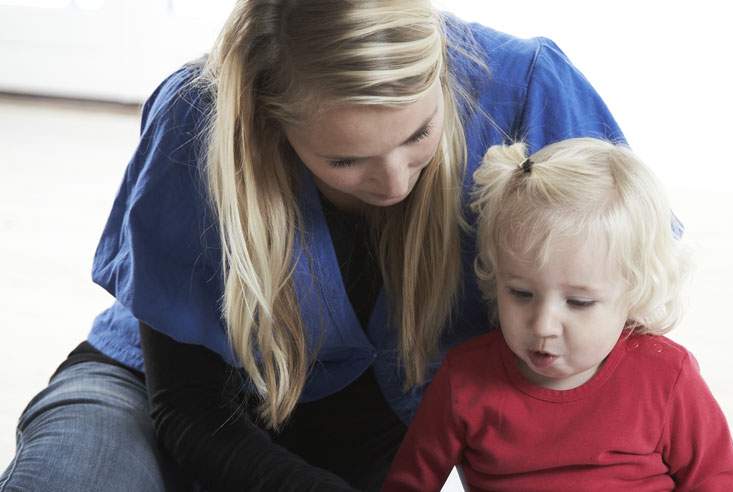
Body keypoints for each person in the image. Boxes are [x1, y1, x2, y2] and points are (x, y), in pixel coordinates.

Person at [0, 1, 626, 491]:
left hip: (365, 444)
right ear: (270, 117)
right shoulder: (200, 117)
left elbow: (622, 315)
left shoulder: (523, 89)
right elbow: (183, 403)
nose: (394, 182)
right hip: (151, 397)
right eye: (345, 159)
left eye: (419, 134)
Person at [383, 138, 733, 491]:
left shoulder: (667, 376)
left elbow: (718, 481)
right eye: (521, 294)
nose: (543, 325)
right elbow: (409, 482)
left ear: (634, 291)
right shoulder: (464, 379)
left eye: (579, 302)